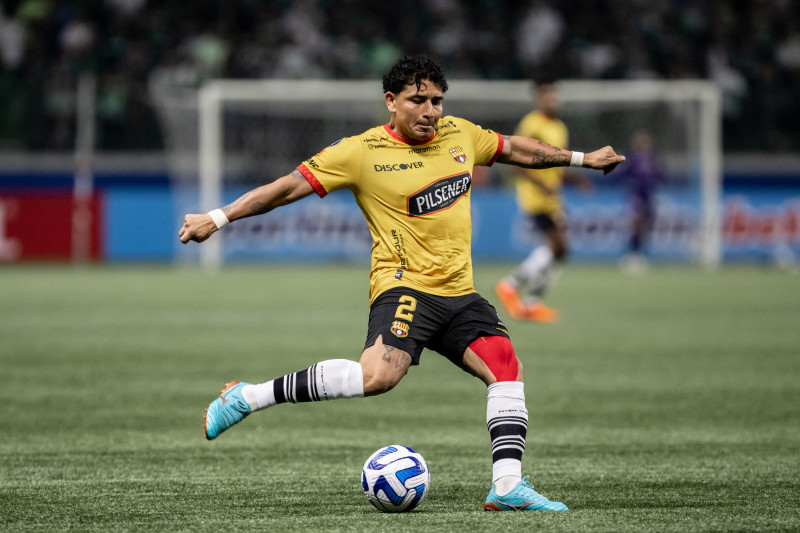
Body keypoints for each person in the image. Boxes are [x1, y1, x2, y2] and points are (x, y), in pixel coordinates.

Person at [179, 55, 624, 512]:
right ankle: (248, 397)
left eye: (437, 100)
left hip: (459, 292)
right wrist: (218, 217)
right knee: (377, 378)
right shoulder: (358, 152)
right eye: (419, 101)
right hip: (404, 287)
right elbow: (285, 188)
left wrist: (583, 159)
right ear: (391, 102)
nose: (431, 111)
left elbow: (516, 149)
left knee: (506, 367)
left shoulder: (460, 134)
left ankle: (507, 487)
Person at [495, 76, 593, 323]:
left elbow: (556, 165)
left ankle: (530, 301)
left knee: (559, 251)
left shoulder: (559, 127)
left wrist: (575, 180)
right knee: (559, 247)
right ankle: (511, 285)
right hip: (535, 196)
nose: (553, 99)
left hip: (552, 196)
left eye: (555, 95)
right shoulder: (531, 123)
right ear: (539, 98)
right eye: (548, 95)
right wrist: (540, 184)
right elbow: (514, 159)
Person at [615, 129, 661, 274]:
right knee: (636, 225)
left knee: (645, 227)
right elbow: (623, 175)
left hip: (649, 198)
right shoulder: (633, 159)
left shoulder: (653, 158)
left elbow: (658, 176)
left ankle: (639, 255)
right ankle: (631, 255)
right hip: (636, 197)